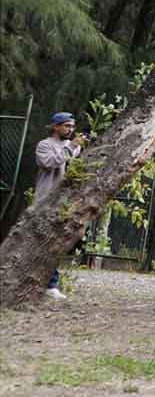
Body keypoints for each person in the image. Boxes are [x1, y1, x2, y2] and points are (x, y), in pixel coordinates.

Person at [34, 112, 86, 299]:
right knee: (41, 242)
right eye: (66, 126)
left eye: (72, 127)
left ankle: (51, 283)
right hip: (46, 200)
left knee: (57, 243)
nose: (70, 130)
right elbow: (50, 163)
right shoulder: (44, 145)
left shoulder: (73, 147)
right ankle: (46, 284)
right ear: (55, 127)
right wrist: (72, 147)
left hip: (65, 202)